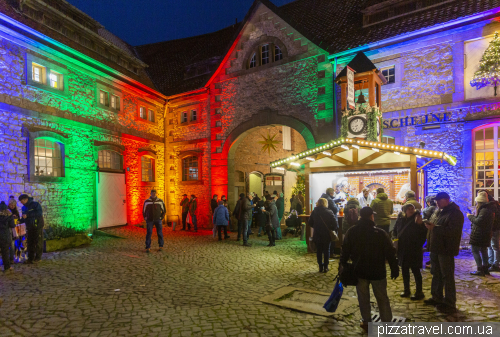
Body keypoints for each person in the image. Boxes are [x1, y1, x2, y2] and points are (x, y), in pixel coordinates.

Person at [341, 207, 398, 331]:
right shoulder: (380, 233)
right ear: (372, 216)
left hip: (359, 270)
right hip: (378, 271)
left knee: (363, 298)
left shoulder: (352, 231)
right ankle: (387, 324)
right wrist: (394, 268)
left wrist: (342, 264)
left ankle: (367, 322)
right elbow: (390, 252)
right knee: (382, 298)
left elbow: (345, 250)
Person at [423, 192, 464, 313]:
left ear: (446, 200)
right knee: (436, 273)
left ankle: (450, 302)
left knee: (447, 275)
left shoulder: (455, 213)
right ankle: (437, 297)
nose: (436, 203)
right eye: (436, 201)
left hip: (446, 249)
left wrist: (434, 228)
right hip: (435, 248)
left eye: (439, 200)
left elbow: (453, 232)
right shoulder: (438, 211)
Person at [392, 202, 427, 300]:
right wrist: (394, 238)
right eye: (409, 209)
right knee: (404, 270)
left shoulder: (417, 219)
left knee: (416, 271)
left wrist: (420, 225)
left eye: (413, 208)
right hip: (403, 249)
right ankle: (406, 289)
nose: (411, 210)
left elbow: (423, 233)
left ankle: (419, 292)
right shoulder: (401, 219)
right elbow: (395, 230)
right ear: (405, 211)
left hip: (414, 249)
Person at [467, 191, 494, 276]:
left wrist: (470, 216)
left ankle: (480, 269)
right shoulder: (488, 209)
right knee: (483, 250)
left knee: (475, 250)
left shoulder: (485, 210)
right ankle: (485, 268)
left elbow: (478, 221)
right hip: (484, 233)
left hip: (480, 234)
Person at [309, 198, 338, 273]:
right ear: (326, 203)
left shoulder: (314, 212)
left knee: (319, 250)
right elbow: (335, 225)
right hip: (326, 234)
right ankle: (326, 266)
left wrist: (316, 226)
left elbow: (310, 223)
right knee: (326, 250)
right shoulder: (329, 212)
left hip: (317, 233)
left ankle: (320, 267)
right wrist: (330, 228)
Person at [18, 194, 44, 264]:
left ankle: (38, 258)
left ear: (26, 199)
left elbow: (39, 213)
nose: (21, 202)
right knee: (30, 243)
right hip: (29, 227)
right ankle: (30, 258)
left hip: (37, 226)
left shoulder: (35, 205)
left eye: (22, 201)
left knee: (38, 242)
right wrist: (20, 221)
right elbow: (24, 218)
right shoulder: (23, 208)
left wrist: (28, 215)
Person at [0, 201, 16, 272]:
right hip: (5, 235)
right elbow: (12, 225)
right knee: (5, 251)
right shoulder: (9, 215)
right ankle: (7, 267)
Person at [489, 196, 500, 272]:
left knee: (494, 247)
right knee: (491, 246)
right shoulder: (496, 206)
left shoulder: (493, 208)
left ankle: (495, 264)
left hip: (494, 229)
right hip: (494, 229)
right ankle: (492, 263)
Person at [8, 196, 20, 265]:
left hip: (14, 229)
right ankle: (8, 258)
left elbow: (19, 219)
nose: (12, 206)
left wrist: (18, 220)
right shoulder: (6, 211)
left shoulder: (16, 211)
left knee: (13, 244)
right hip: (8, 229)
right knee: (9, 244)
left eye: (13, 205)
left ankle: (11, 258)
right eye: (11, 205)